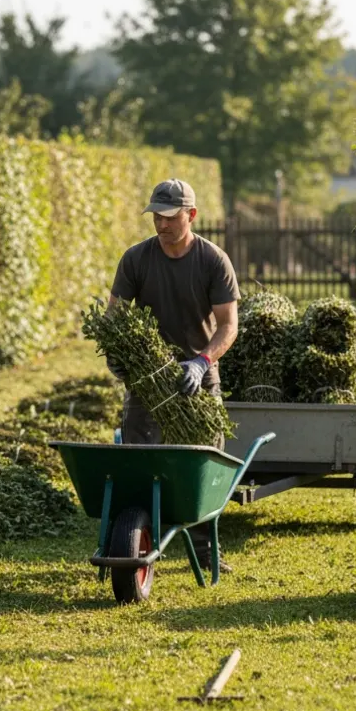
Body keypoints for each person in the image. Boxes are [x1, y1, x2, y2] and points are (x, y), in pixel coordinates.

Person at [106, 177, 241, 559]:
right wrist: (120, 354)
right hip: (149, 380)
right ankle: (137, 539)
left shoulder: (213, 260)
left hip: (198, 378)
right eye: (156, 217)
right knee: (139, 465)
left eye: (169, 217)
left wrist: (201, 362)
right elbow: (114, 317)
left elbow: (228, 325)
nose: (161, 225)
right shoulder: (136, 259)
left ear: (191, 215)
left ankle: (202, 549)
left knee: (201, 472)